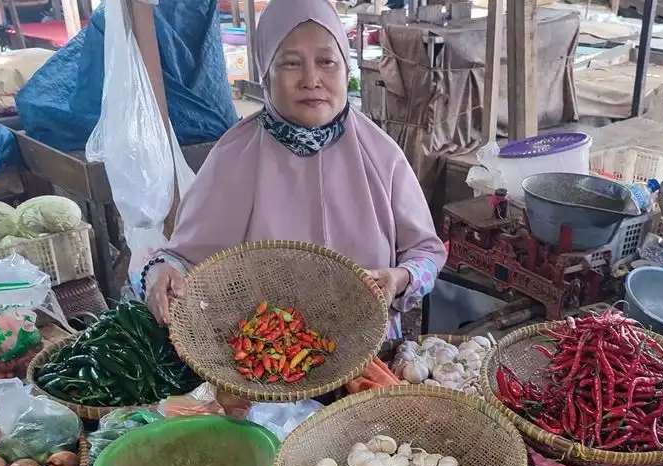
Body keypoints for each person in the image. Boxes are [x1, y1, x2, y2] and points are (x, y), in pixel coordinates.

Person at [134, 0, 446, 342]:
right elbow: (182, 258)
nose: (312, 80)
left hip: (370, 362)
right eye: (291, 64)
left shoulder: (382, 155)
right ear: (266, 73)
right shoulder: (235, 157)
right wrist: (162, 272)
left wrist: (400, 278)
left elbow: (426, 253)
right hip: (265, 368)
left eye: (327, 62)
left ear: (346, 68)